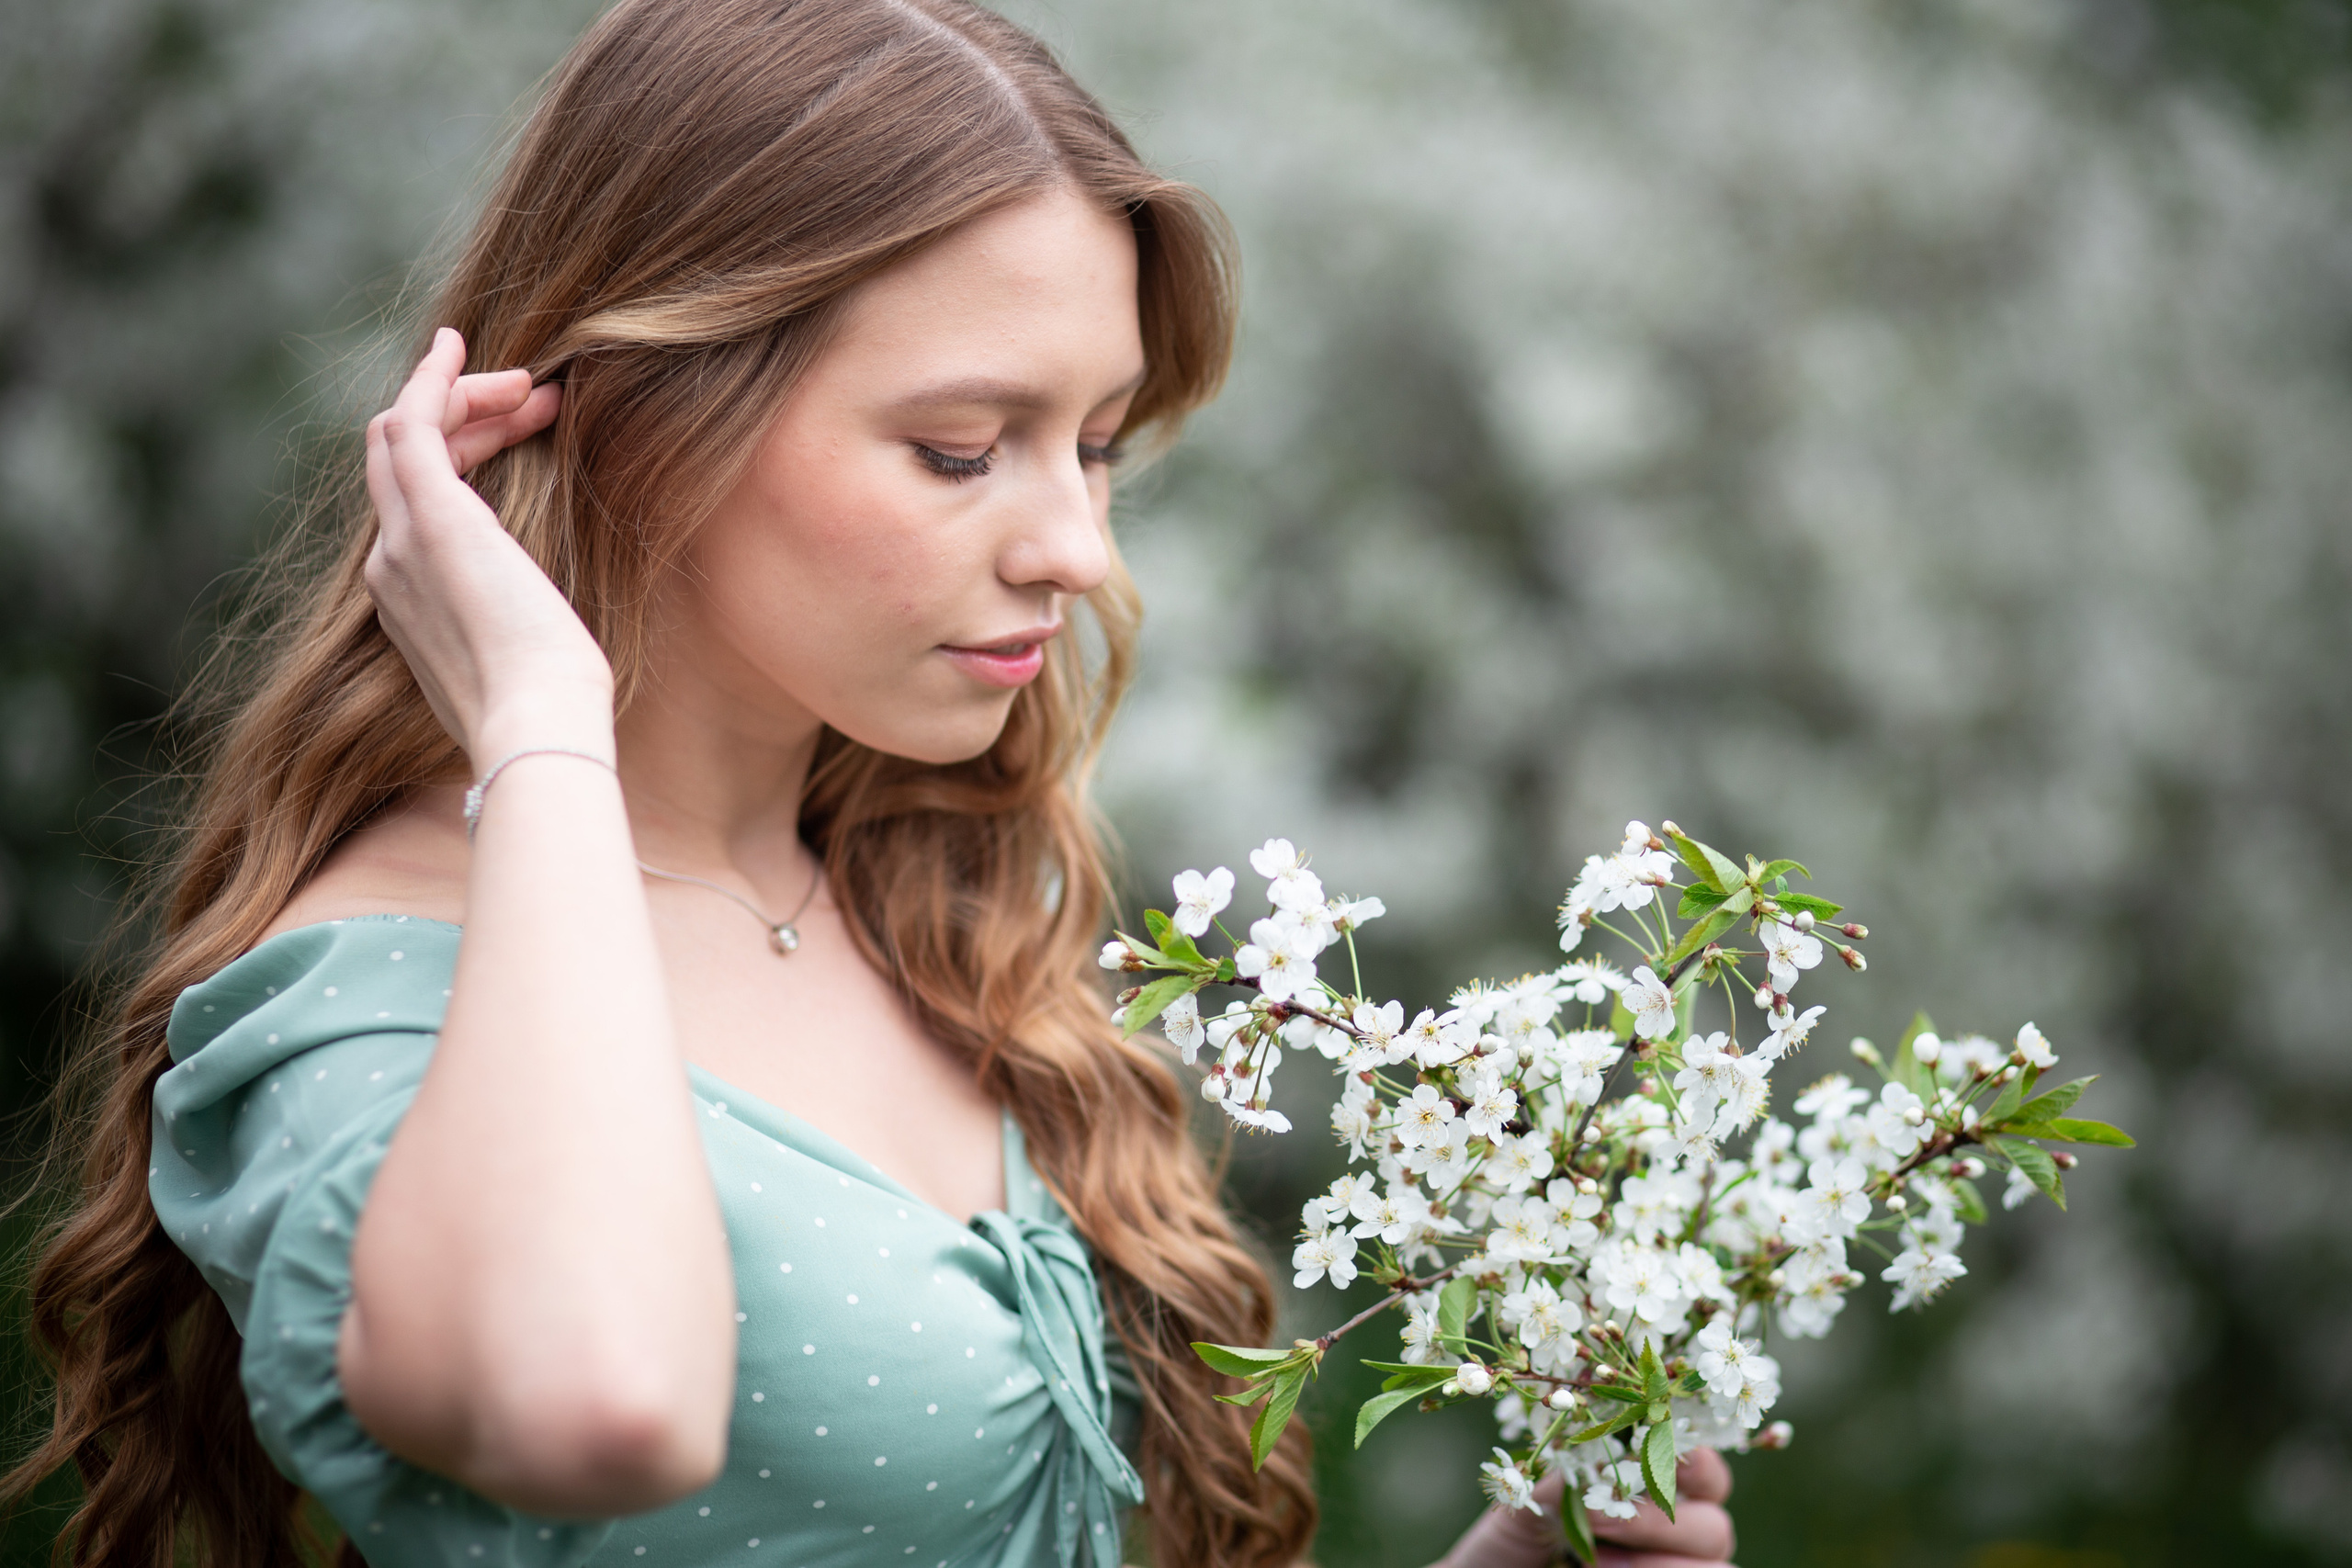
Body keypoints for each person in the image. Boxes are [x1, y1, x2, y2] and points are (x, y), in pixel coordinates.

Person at [4, 2, 1741, 1564]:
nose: (1074, 548)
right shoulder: (373, 994)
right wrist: (543, 722)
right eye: (961, 451)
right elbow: (595, 1406)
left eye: (1100, 446)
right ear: (643, 413)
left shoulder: (925, 910)